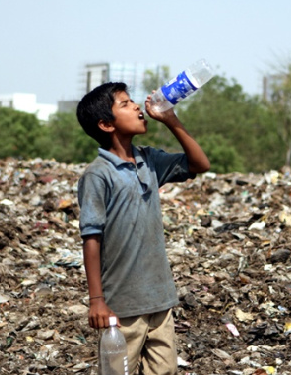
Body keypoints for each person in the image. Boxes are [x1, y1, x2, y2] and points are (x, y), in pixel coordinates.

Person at [76, 82, 210, 375]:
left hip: (160, 299)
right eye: (125, 104)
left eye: (132, 101)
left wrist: (170, 119)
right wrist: (96, 301)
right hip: (122, 307)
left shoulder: (148, 160)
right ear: (105, 124)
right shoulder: (98, 175)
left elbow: (200, 164)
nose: (137, 106)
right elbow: (91, 237)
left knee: (164, 370)